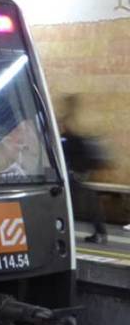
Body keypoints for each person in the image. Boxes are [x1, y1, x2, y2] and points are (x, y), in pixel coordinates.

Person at [58, 95, 108, 244]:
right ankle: (99, 232)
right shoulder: (70, 132)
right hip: (77, 173)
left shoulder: (69, 133)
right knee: (83, 203)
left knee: (85, 204)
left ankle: (100, 233)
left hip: (75, 174)